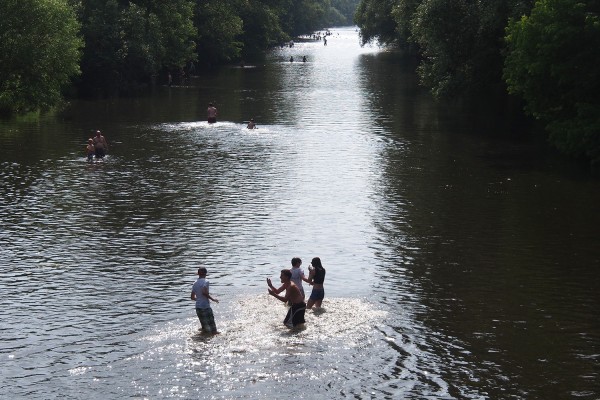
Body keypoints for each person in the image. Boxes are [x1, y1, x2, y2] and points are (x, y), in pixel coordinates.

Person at [191, 267, 219, 334]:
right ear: (206, 274)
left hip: (198, 307)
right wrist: (212, 299)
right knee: (213, 329)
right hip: (205, 306)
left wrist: (199, 300)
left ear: (198, 274)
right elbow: (204, 292)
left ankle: (203, 339)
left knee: (204, 328)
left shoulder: (194, 283)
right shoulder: (206, 281)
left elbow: (192, 297)